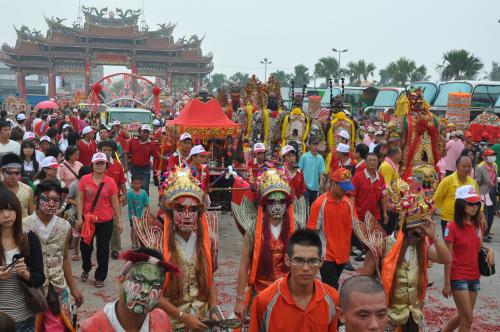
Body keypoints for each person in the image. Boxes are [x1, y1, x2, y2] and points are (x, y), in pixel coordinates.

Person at [359, 180, 451, 331]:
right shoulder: (383, 244)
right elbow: (363, 280)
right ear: (404, 224)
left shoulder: (422, 246)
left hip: (413, 316)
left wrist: (434, 236)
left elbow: (446, 259)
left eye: (423, 229)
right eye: (416, 229)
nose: (420, 234)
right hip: (388, 318)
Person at [152, 169, 220, 331]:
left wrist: (214, 309)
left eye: (193, 210)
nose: (188, 215)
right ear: (170, 211)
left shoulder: (207, 242)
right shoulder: (157, 244)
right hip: (171, 323)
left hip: (201, 322)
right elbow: (154, 294)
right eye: (181, 209)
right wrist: (183, 317)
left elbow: (209, 280)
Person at [234, 168, 303, 319]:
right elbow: (244, 265)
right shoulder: (253, 230)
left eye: (281, 201)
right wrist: (239, 299)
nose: (277, 206)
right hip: (260, 294)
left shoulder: (295, 227)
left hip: (288, 294)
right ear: (265, 203)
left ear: (287, 203)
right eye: (272, 202)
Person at [23, 180, 84, 331]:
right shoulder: (24, 225)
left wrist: (73, 288)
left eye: (56, 200)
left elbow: (64, 259)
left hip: (58, 286)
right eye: (46, 199)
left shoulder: (65, 226)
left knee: (58, 326)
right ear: (36, 199)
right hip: (32, 288)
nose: (51, 204)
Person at [250, 229, 339, 332]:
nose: (306, 268)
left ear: (321, 261)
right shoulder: (264, 301)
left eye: (312, 261)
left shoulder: (332, 298)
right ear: (287, 260)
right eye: (299, 260)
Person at [79, 248, 176, 332]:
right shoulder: (92, 328)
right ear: (121, 280)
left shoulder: (162, 321)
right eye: (139, 280)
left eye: (155, 285)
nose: (146, 291)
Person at [442, 185, 494, 332]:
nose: (474, 207)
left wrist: (489, 250)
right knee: (468, 318)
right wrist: (447, 283)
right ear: (460, 204)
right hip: (458, 277)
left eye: (476, 203)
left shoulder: (477, 225)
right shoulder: (451, 227)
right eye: (470, 203)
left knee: (463, 317)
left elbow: (478, 246)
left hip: (475, 276)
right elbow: (447, 257)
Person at [0, 189, 45, 331]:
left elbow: (40, 278)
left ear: (18, 210)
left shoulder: (29, 239)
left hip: (24, 318)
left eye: (10, 209)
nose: (6, 215)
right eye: (0, 211)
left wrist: (26, 274)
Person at [77, 152, 122, 288]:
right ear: (92, 165)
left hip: (105, 220)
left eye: (102, 163)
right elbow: (80, 199)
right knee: (85, 247)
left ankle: (100, 276)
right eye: (97, 163)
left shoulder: (110, 182)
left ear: (106, 165)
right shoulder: (84, 179)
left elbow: (115, 203)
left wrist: (119, 220)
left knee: (103, 249)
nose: (100, 165)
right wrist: (80, 217)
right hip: (88, 220)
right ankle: (86, 267)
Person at [307, 168, 356, 289]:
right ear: (333, 183)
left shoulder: (348, 203)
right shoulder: (319, 204)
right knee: (331, 288)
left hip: (344, 256)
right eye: (343, 187)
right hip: (326, 256)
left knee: (332, 287)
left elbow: (356, 227)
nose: (346, 191)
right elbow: (312, 232)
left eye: (347, 187)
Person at [434, 155, 482, 236]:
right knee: (448, 246)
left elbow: (477, 201)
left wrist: (482, 216)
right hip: (448, 220)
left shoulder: (473, 183)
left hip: (466, 220)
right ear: (457, 167)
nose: (466, 169)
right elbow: (436, 199)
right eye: (463, 166)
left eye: (469, 166)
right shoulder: (447, 181)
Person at [99, 140, 127, 259]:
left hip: (114, 200)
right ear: (99, 150)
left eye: (109, 150)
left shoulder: (117, 164)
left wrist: (125, 194)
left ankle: (114, 249)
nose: (107, 152)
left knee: (115, 224)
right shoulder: (96, 164)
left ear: (113, 152)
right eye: (104, 150)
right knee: (101, 225)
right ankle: (102, 247)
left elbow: (121, 182)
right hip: (99, 201)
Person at [66, 166, 93, 262]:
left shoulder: (92, 184)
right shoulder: (74, 185)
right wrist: (78, 203)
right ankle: (75, 252)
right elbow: (68, 199)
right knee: (76, 234)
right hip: (75, 214)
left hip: (89, 214)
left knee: (88, 234)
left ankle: (87, 256)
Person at [127, 125, 159, 196]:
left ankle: (145, 204)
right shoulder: (132, 141)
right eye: (144, 132)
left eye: (147, 132)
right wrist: (126, 166)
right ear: (140, 132)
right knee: (135, 186)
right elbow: (126, 152)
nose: (146, 134)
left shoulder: (151, 144)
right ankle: (135, 201)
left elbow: (156, 156)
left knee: (145, 186)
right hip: (134, 167)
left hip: (145, 168)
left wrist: (155, 168)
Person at [0, 153, 34, 218]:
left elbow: (31, 215)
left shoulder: (28, 190)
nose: (13, 176)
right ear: (2, 171)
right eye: (9, 173)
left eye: (17, 173)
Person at [474, 149, 497, 242]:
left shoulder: (495, 166)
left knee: (491, 214)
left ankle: (487, 232)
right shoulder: (480, 167)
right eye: (490, 155)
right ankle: (483, 234)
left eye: (493, 155)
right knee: (485, 214)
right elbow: (477, 182)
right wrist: (478, 195)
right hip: (483, 194)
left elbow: (495, 177)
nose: (492, 157)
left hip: (492, 192)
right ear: (485, 157)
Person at [299, 137, 325, 209]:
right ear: (309, 145)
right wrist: (301, 183)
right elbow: (299, 171)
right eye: (314, 144)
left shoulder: (320, 158)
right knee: (305, 207)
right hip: (305, 187)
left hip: (315, 187)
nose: (316, 146)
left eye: (317, 144)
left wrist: (321, 183)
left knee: (313, 207)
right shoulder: (304, 157)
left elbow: (321, 171)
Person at [127, 173, 150, 249]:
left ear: (142, 184)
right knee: (133, 229)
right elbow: (124, 201)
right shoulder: (129, 193)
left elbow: (146, 204)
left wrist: (147, 214)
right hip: (132, 216)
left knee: (141, 229)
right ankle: (134, 243)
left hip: (142, 215)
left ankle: (141, 243)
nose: (137, 185)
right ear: (132, 183)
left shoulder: (143, 193)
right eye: (135, 183)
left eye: (139, 183)